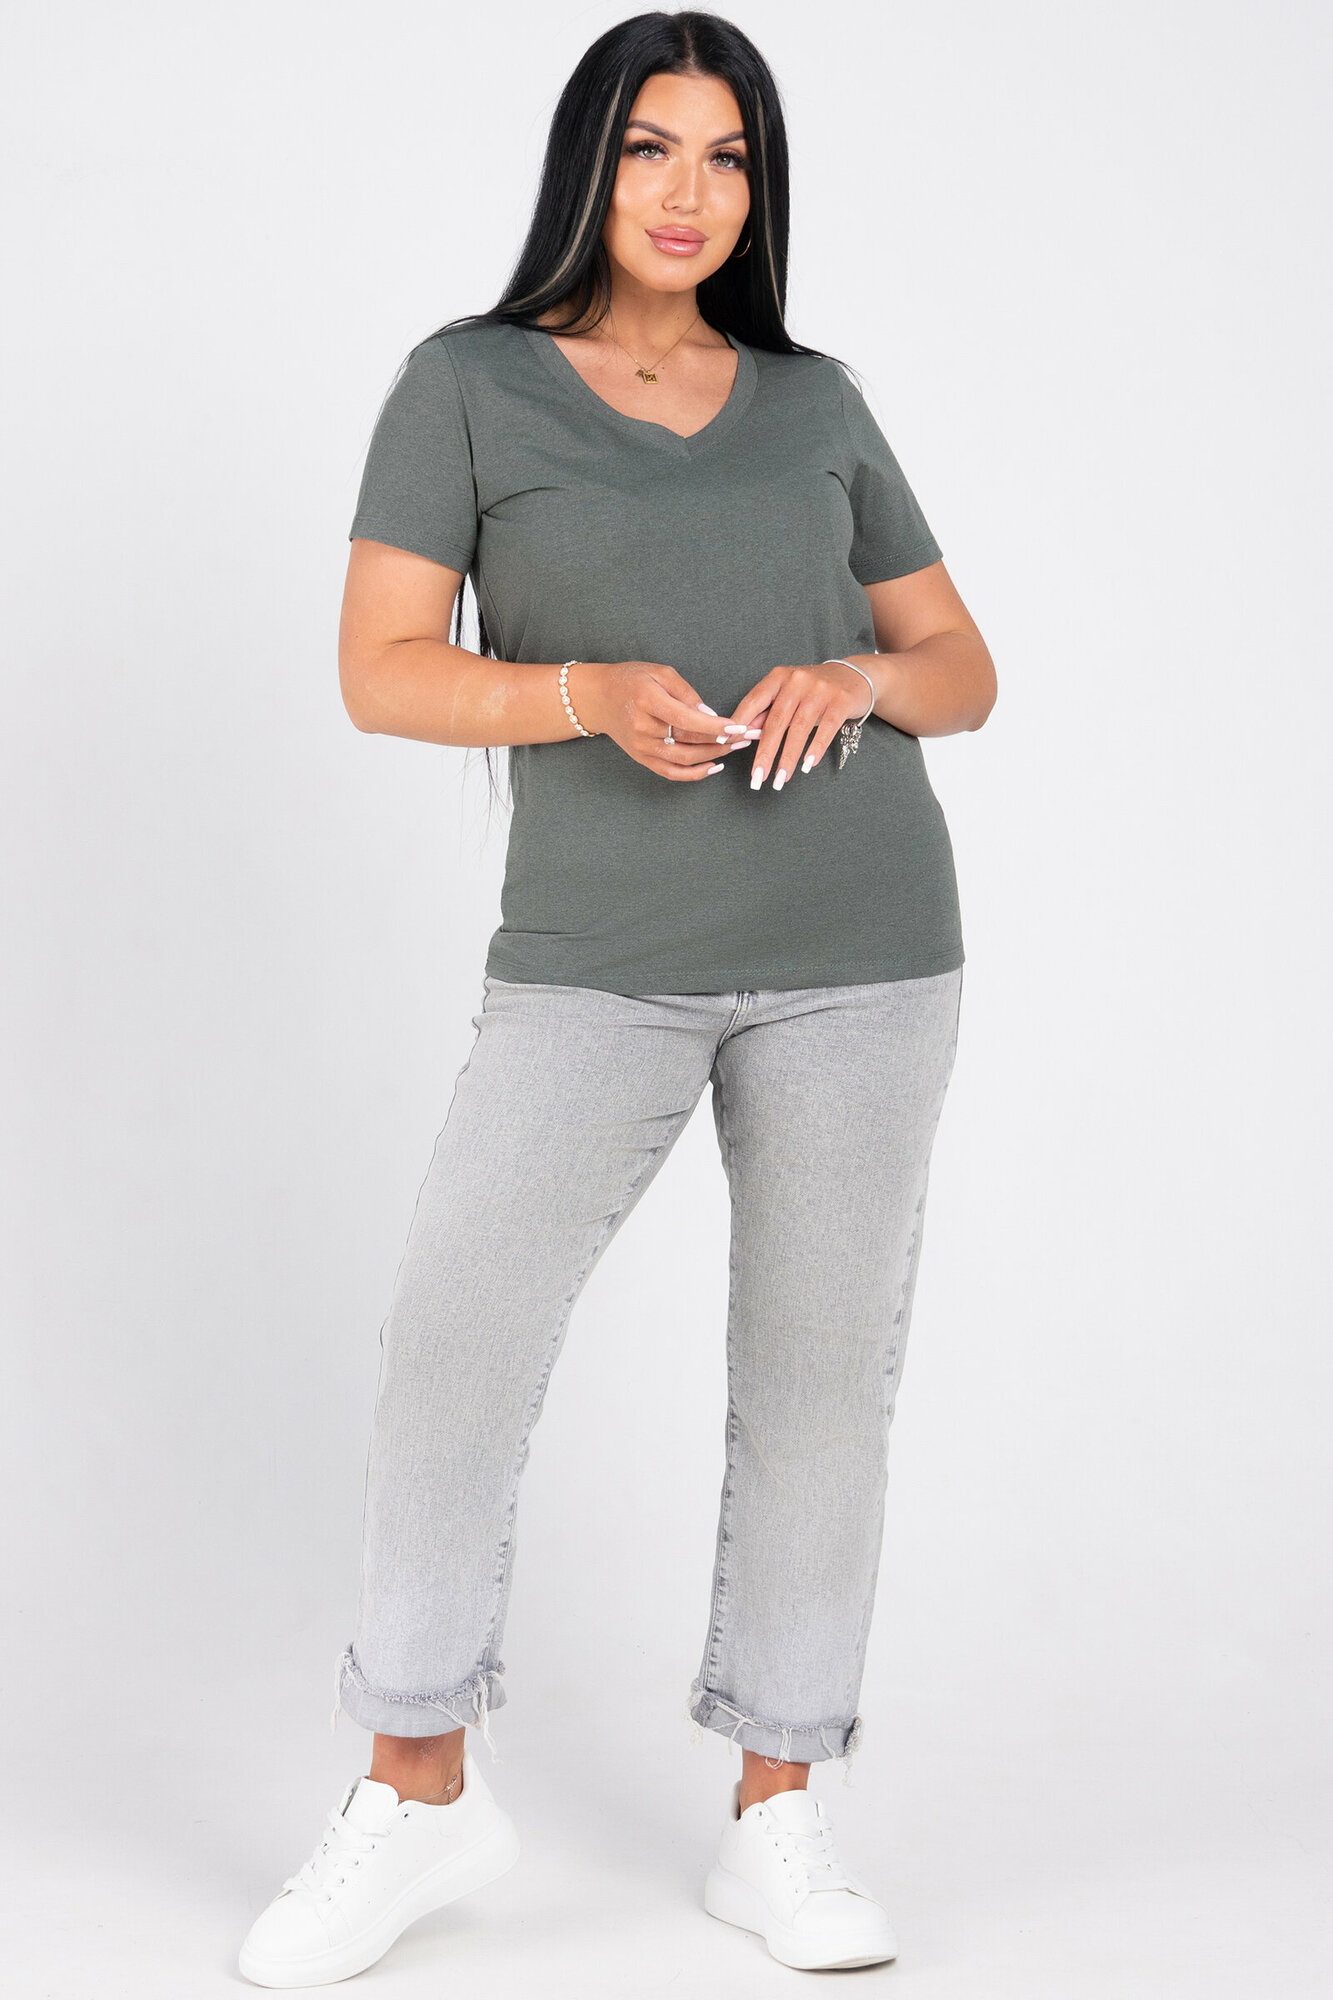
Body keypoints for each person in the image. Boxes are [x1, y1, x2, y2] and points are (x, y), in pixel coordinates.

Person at [238, 8, 995, 1986]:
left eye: (727, 157)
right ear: (589, 162)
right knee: (453, 1342)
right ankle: (418, 1785)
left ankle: (779, 1811)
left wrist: (859, 675)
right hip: (595, 961)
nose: (687, 192)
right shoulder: (467, 384)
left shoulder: (815, 402)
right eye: (651, 147)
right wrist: (575, 691)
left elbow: (962, 666)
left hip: (862, 946)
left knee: (818, 1384)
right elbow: (382, 668)